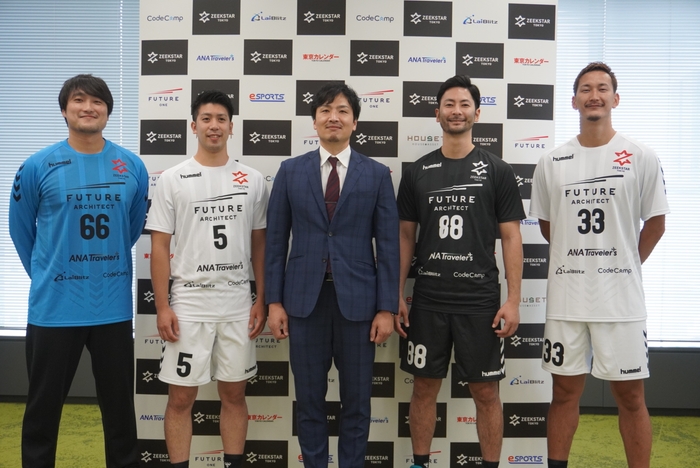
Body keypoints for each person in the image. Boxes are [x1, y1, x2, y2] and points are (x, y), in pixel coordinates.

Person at [530, 62, 669, 468]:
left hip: (620, 301)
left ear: (615, 99)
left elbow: (656, 224)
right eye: (586, 89)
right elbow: (549, 226)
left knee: (631, 397)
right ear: (574, 101)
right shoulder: (552, 161)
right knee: (563, 394)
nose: (594, 95)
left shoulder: (640, 156)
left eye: (603, 88)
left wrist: (624, 264)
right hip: (567, 300)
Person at [9, 74, 148, 468]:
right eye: (79, 100)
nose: (89, 108)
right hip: (55, 309)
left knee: (120, 413)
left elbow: (130, 228)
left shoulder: (131, 166)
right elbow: (20, 230)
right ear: (64, 110)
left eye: (97, 101)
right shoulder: (37, 165)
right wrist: (49, 274)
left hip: (112, 309)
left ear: (108, 110)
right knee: (42, 412)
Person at [264, 83, 399, 468]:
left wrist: (386, 308)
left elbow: (389, 246)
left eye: (342, 110)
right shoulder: (290, 171)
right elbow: (276, 242)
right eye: (325, 110)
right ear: (314, 121)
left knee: (357, 403)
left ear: (354, 122)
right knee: (309, 402)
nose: (333, 117)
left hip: (359, 306)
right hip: (303, 304)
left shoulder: (376, 174)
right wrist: (274, 301)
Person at [395, 75, 524, 468]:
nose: (456, 111)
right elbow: (405, 236)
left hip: (479, 301)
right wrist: (396, 293)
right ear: (437, 113)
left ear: (477, 113)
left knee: (486, 393)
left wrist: (514, 300)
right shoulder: (417, 171)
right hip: (429, 300)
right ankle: (419, 464)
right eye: (449, 104)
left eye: (464, 104)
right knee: (423, 388)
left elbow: (511, 237)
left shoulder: (498, 170)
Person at [147, 90, 268, 468]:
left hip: (236, 302)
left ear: (232, 127)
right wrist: (163, 306)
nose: (213, 125)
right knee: (181, 399)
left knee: (234, 395)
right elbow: (159, 247)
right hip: (189, 303)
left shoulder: (252, 180)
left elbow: (260, 245)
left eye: (221, 119)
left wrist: (261, 299)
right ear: (193, 125)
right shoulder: (172, 178)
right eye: (206, 118)